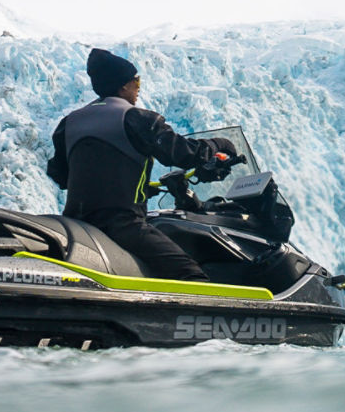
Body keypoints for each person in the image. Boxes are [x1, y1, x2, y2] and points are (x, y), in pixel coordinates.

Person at [46, 48, 231, 281]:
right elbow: (182, 153)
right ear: (122, 85)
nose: (139, 86)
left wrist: (135, 184)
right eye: (136, 80)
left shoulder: (68, 123)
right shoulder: (137, 119)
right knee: (190, 274)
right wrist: (219, 144)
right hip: (122, 225)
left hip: (78, 223)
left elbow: (60, 175)